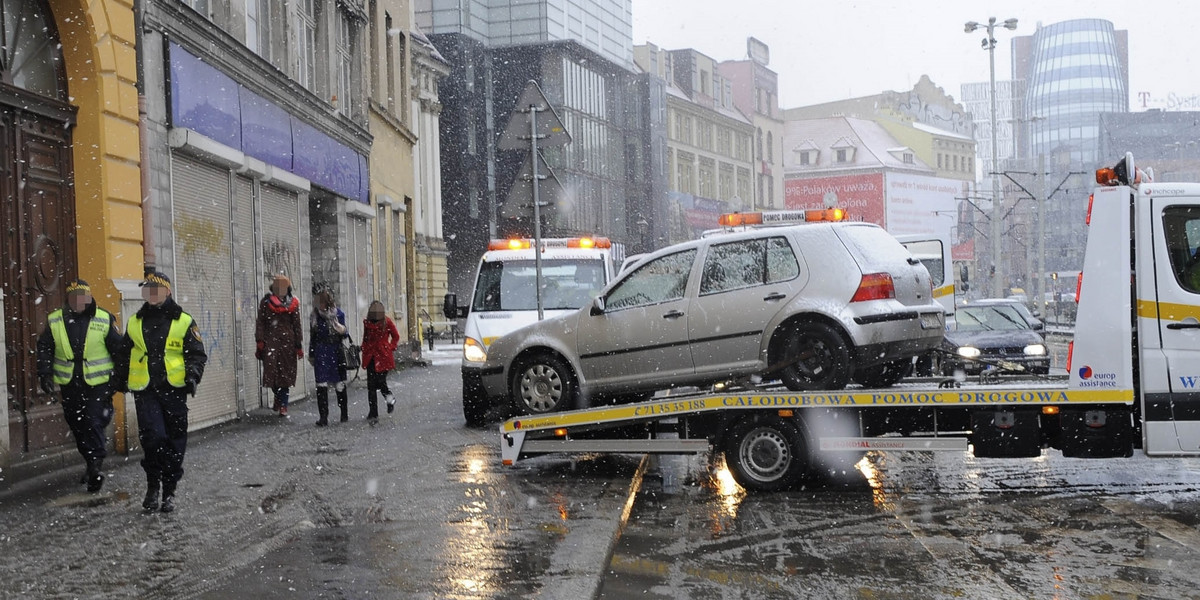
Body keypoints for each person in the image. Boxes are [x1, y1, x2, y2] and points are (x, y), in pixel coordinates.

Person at [119, 271, 207, 513]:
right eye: (147, 289)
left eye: (155, 289)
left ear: (167, 291)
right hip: (146, 390)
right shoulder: (135, 321)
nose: (151, 293)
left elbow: (197, 354)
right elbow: (125, 354)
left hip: (174, 390)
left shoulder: (184, 321)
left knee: (174, 442)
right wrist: (118, 379)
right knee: (153, 438)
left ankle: (169, 491)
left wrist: (192, 376)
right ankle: (152, 486)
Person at [35, 279, 124, 493]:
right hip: (70, 383)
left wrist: (119, 378)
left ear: (89, 296)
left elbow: (119, 349)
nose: (78, 301)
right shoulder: (56, 320)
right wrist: (45, 374)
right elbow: (45, 347)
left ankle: (95, 466)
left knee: (93, 421)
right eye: (74, 297)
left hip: (98, 383)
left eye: (82, 296)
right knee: (77, 424)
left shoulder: (103, 318)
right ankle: (91, 460)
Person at [256, 274, 303, 417]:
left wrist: (298, 344)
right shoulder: (266, 302)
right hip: (271, 342)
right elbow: (261, 322)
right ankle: (277, 396)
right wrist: (260, 340)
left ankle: (283, 404)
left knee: (286, 376)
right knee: (272, 373)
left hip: (288, 344)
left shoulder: (293, 303)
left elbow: (296, 325)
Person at [309, 285, 349, 425]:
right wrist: (311, 354)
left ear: (327, 302)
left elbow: (346, 334)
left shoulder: (338, 314)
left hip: (335, 352)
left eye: (322, 302)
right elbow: (313, 337)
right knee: (321, 385)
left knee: (339, 385)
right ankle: (323, 417)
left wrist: (341, 330)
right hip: (321, 352)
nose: (319, 305)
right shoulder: (314, 316)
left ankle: (344, 414)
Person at [360, 300, 399, 420]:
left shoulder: (387, 322)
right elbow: (366, 339)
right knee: (371, 386)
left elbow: (395, 336)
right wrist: (363, 348)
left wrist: (389, 347)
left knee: (381, 383)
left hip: (383, 356)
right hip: (371, 356)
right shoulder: (367, 323)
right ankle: (373, 411)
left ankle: (390, 399)